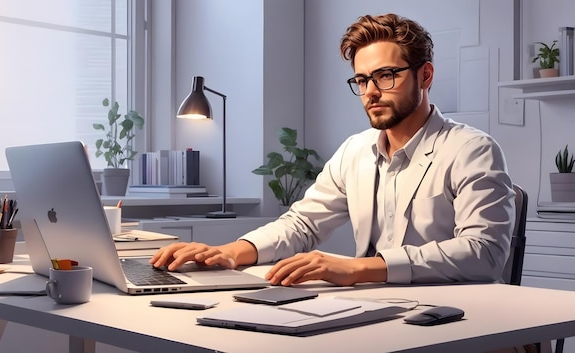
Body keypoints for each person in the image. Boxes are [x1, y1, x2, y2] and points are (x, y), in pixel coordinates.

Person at [150, 13, 515, 287]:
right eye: (361, 79)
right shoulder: (355, 151)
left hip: (453, 313)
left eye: (386, 75)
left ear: (426, 75)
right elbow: (303, 223)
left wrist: (358, 268)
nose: (371, 91)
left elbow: (484, 253)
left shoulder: (471, 150)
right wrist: (230, 252)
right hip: (371, 306)